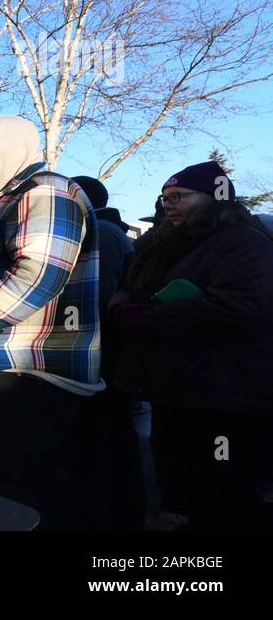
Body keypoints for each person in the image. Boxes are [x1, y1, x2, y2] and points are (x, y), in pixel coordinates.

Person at [0, 116, 102, 530]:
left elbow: (39, 273)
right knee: (30, 493)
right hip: (10, 372)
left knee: (9, 496)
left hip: (24, 375)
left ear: (8, 150)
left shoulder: (45, 190)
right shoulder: (10, 197)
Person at [110, 161, 273, 530]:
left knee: (225, 494)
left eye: (178, 196)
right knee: (195, 496)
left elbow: (241, 307)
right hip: (188, 394)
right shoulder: (184, 243)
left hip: (227, 401)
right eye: (165, 198)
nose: (168, 205)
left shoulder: (242, 241)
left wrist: (143, 317)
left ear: (213, 197)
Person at [71, 174, 143, 530]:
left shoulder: (103, 234)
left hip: (106, 351)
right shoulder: (109, 230)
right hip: (109, 349)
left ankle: (119, 512)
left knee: (111, 434)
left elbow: (97, 297)